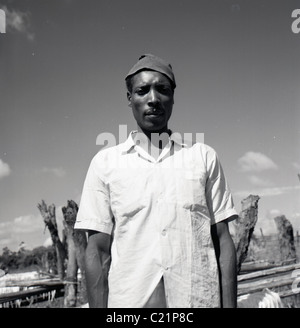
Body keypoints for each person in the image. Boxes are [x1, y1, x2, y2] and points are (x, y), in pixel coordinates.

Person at [74, 54, 238, 308]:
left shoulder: (202, 158)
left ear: (172, 96)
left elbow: (223, 241)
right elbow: (97, 250)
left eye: (162, 89)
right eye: (142, 90)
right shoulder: (105, 163)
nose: (153, 99)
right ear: (130, 99)